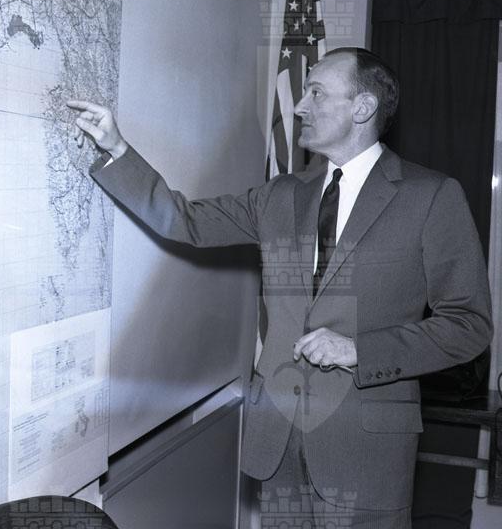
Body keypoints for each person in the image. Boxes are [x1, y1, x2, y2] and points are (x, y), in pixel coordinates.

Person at [67, 47, 492, 528]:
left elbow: (468, 326)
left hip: (366, 451)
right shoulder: (281, 194)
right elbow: (186, 221)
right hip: (279, 437)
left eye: (316, 93)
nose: (300, 106)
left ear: (362, 107)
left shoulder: (430, 196)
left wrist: (359, 349)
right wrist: (118, 150)